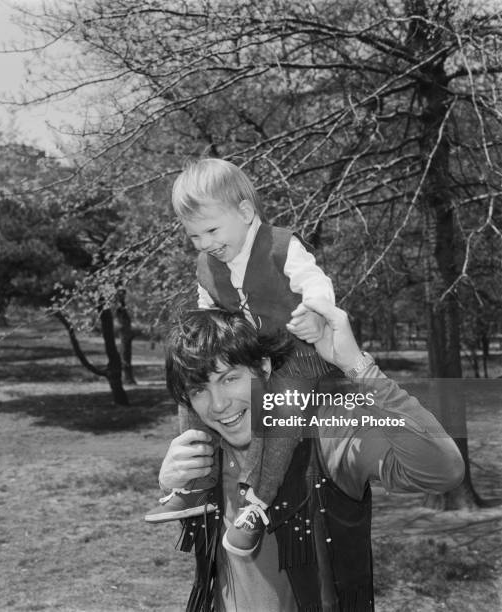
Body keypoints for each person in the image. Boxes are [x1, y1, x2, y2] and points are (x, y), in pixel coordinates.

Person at [158, 300, 464, 612]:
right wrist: (172, 486)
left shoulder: (325, 433)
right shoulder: (208, 452)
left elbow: (442, 469)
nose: (218, 404)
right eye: (199, 390)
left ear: (263, 367)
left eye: (229, 379)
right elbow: (207, 552)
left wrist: (359, 367)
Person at [145, 158, 336, 558]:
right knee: (193, 385)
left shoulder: (282, 246)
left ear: (245, 213)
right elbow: (207, 311)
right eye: (194, 237)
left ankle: (257, 503)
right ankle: (196, 483)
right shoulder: (207, 265)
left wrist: (316, 311)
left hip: (298, 354)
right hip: (251, 352)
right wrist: (199, 343)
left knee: (282, 414)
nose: (205, 243)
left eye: (212, 230)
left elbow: (315, 282)